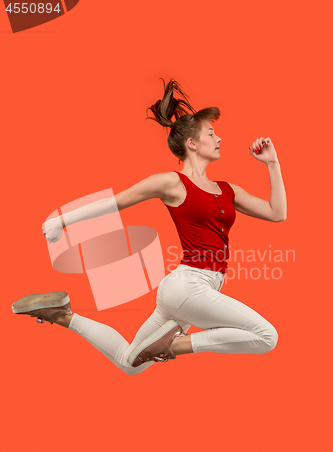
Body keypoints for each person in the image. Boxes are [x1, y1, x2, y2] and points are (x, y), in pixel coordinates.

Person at [12, 79, 287, 376]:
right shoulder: (171, 182)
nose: (219, 138)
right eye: (211, 133)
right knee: (266, 336)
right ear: (192, 144)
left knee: (129, 363)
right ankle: (175, 346)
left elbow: (277, 213)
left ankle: (61, 314)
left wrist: (272, 163)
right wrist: (60, 220)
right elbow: (114, 203)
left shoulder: (227, 189)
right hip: (189, 286)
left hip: (189, 292)